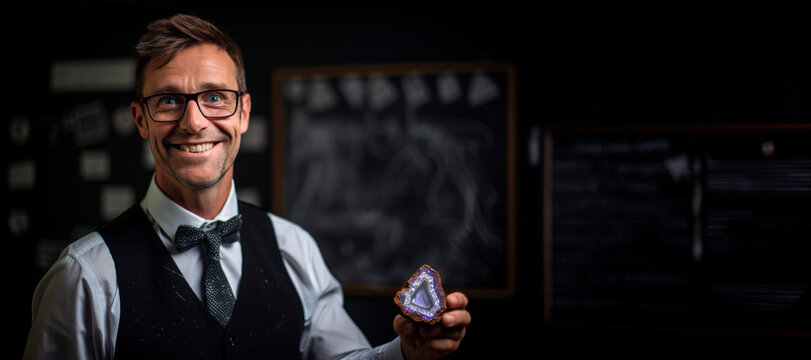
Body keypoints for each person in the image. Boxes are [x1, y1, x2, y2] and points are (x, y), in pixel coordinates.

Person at [23, 13, 470, 360]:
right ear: (141, 119)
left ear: (243, 113)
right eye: (168, 100)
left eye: (216, 97)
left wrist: (406, 353)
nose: (194, 122)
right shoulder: (84, 276)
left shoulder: (296, 249)